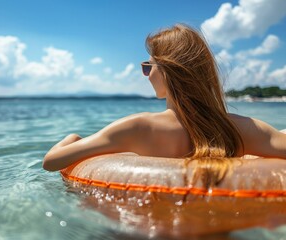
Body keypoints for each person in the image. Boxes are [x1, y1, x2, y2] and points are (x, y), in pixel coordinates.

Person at [43, 24, 286, 185]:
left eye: (148, 66)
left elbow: (51, 162)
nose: (146, 74)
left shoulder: (136, 128)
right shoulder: (241, 129)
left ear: (169, 72)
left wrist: (72, 137)